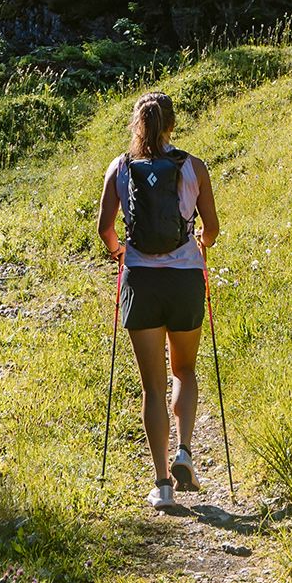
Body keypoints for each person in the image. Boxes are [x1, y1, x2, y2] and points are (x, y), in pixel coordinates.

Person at [97, 90, 220, 511]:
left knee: (152, 385)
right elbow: (212, 228)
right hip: (185, 279)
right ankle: (185, 451)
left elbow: (105, 229)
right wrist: (199, 244)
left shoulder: (121, 168)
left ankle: (162, 484)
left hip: (141, 281)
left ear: (138, 124)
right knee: (184, 368)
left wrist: (119, 253)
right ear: (171, 123)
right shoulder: (193, 167)